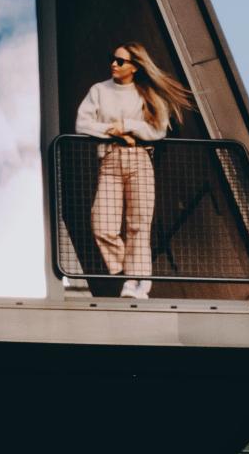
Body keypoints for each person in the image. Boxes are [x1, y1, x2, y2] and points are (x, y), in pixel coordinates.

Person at [73, 42, 194, 298]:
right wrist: (110, 131)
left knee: (138, 225)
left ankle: (137, 284)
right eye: (112, 59)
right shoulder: (99, 90)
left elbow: (158, 130)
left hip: (139, 160)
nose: (113, 64)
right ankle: (129, 272)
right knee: (102, 225)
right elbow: (82, 124)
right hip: (110, 161)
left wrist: (127, 126)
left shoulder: (147, 94)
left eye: (120, 61)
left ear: (135, 67)